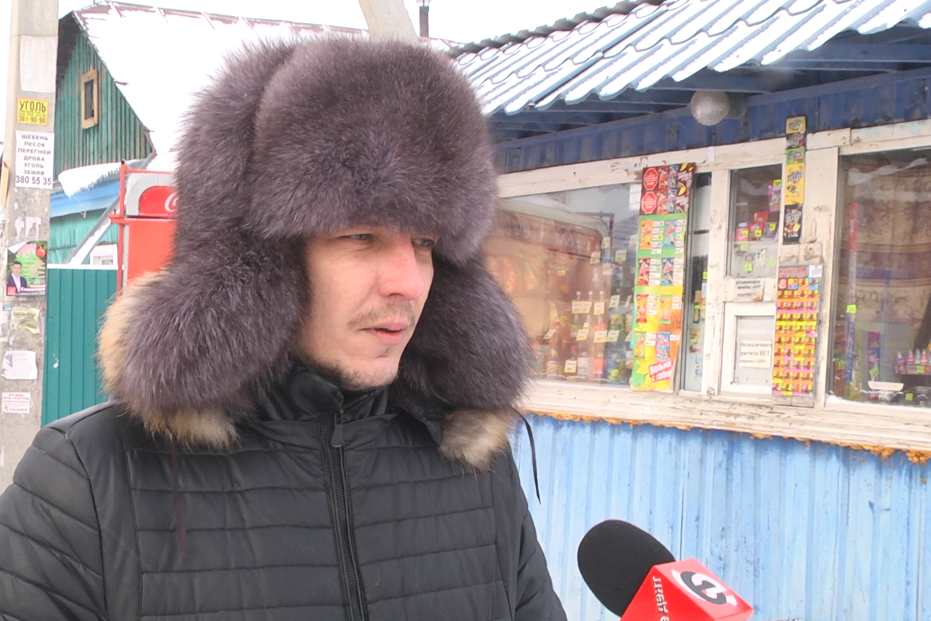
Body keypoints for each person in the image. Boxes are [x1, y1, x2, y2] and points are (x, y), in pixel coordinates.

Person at [0, 36, 567, 620]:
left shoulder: (475, 467)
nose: (408, 281)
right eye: (361, 236)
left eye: (424, 242)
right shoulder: (87, 482)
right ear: (255, 267)